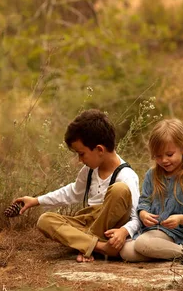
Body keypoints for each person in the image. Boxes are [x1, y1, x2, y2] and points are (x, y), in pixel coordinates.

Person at [14, 109, 141, 263]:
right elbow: (72, 192)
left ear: (99, 149)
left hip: (110, 228)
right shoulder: (88, 170)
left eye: (81, 154)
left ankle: (86, 245)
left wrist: (123, 231)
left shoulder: (126, 175)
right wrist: (36, 200)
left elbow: (136, 217)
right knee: (45, 220)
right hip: (87, 223)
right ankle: (100, 247)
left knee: (119, 190)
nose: (80, 159)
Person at [120, 118, 183, 263]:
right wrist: (144, 214)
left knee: (141, 245)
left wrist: (181, 219)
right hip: (151, 233)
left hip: (177, 235)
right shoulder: (151, 176)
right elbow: (144, 201)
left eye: (169, 154)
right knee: (125, 252)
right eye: (158, 156)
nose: (164, 160)